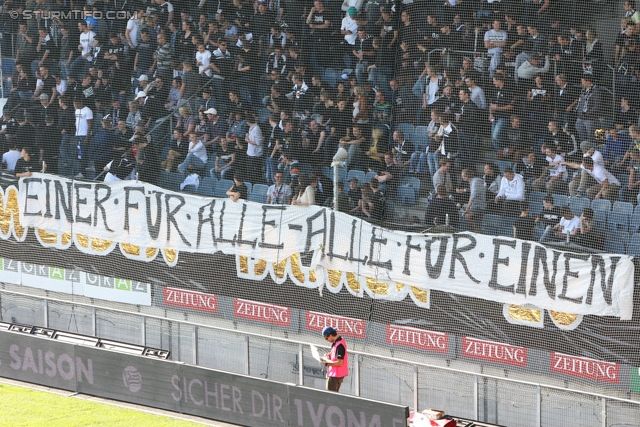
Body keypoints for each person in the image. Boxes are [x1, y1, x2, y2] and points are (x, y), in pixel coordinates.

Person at [321, 326, 348, 393]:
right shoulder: (339, 340)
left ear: (330, 335)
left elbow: (339, 362)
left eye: (326, 338)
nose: (327, 340)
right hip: (336, 375)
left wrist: (327, 363)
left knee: (330, 397)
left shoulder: (339, 345)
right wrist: (329, 355)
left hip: (335, 376)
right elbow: (336, 353)